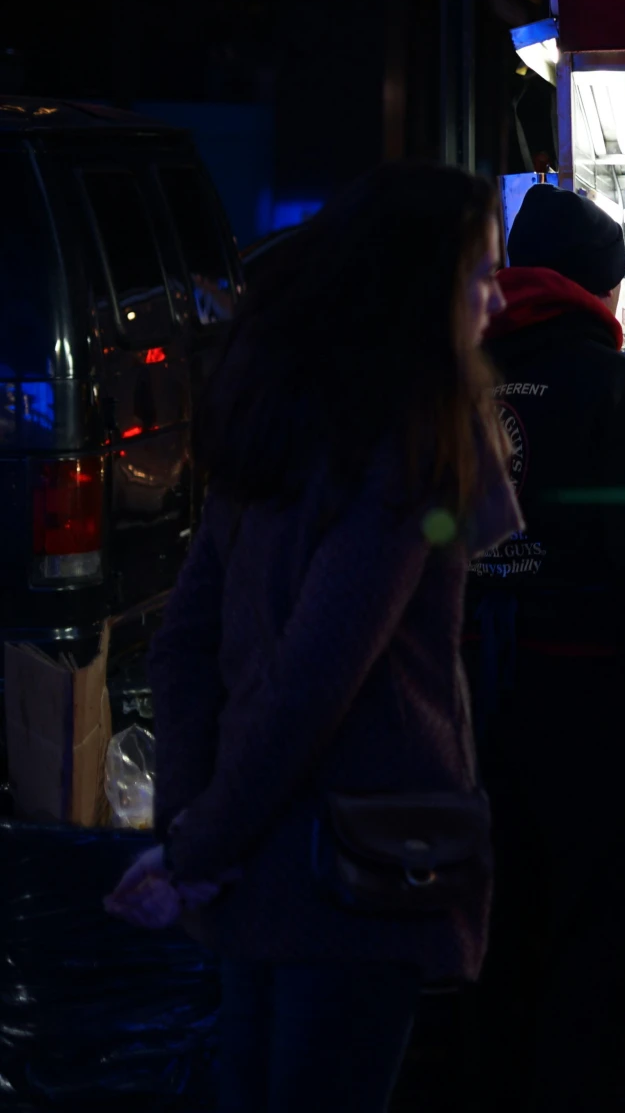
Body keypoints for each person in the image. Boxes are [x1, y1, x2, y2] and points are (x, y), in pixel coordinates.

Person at [110, 164, 521, 1113]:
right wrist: (193, 846)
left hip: (254, 874)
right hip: (352, 875)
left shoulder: (269, 418)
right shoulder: (410, 437)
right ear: (421, 286)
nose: (497, 297)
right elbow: (317, 674)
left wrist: (194, 835)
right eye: (482, 273)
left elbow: (183, 646)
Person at [464, 183, 625, 1112]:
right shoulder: (614, 388)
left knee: (500, 931)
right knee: (593, 929)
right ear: (597, 289)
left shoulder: (460, 379)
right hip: (590, 705)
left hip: (472, 701)